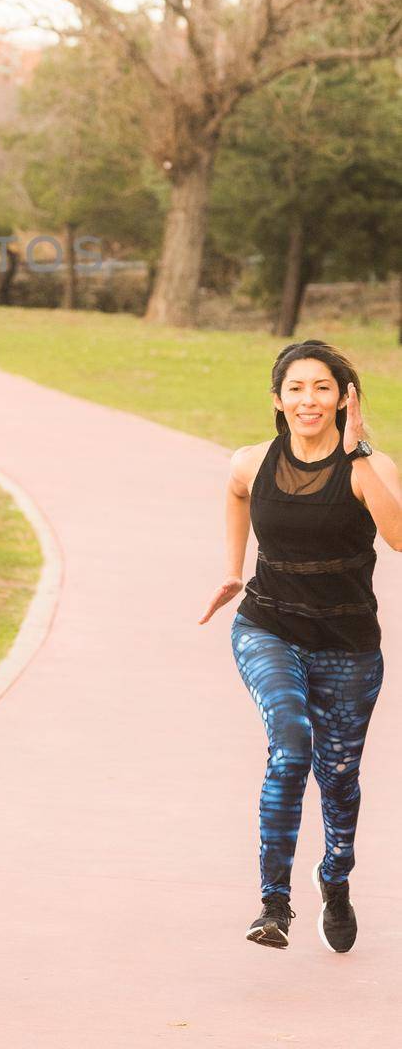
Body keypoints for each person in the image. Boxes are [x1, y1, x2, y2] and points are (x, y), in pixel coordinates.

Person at [200, 339, 402, 953]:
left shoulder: (372, 466)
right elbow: (235, 493)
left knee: (338, 779)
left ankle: (334, 879)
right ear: (278, 398)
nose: (309, 399)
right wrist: (234, 569)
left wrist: (359, 450)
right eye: (296, 388)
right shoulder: (252, 460)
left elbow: (398, 538)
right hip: (268, 626)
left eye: (322, 388)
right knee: (290, 746)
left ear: (345, 398)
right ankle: (273, 904)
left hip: (347, 646)